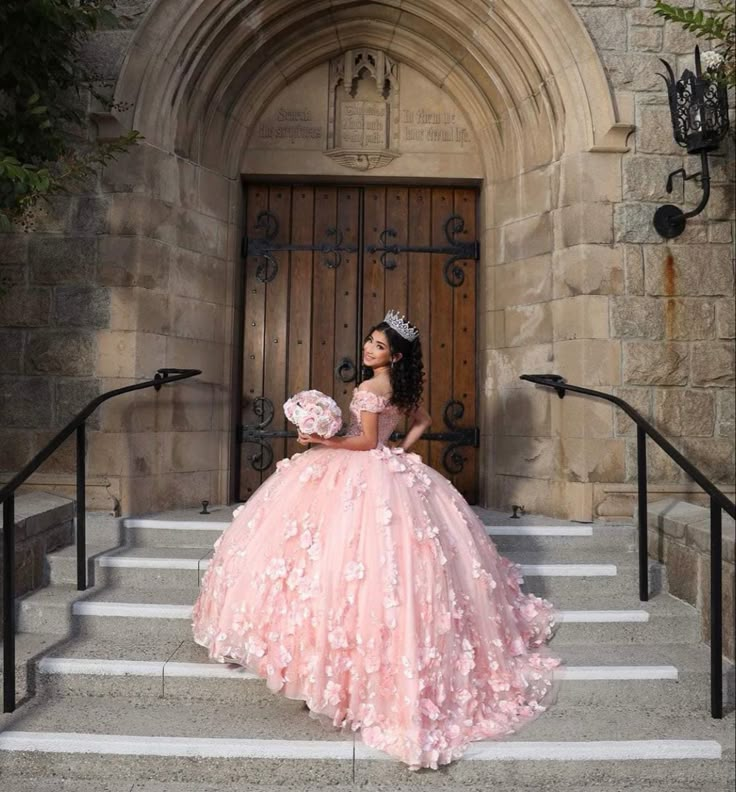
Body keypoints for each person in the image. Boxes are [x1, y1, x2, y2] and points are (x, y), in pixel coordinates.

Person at [192, 310, 559, 770]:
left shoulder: (369, 390)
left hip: (359, 469)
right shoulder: (403, 390)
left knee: (337, 558)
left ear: (396, 355)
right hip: (389, 470)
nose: (368, 349)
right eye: (368, 341)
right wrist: (400, 454)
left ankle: (330, 665)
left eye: (379, 347)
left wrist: (321, 441)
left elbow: (365, 443)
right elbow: (420, 421)